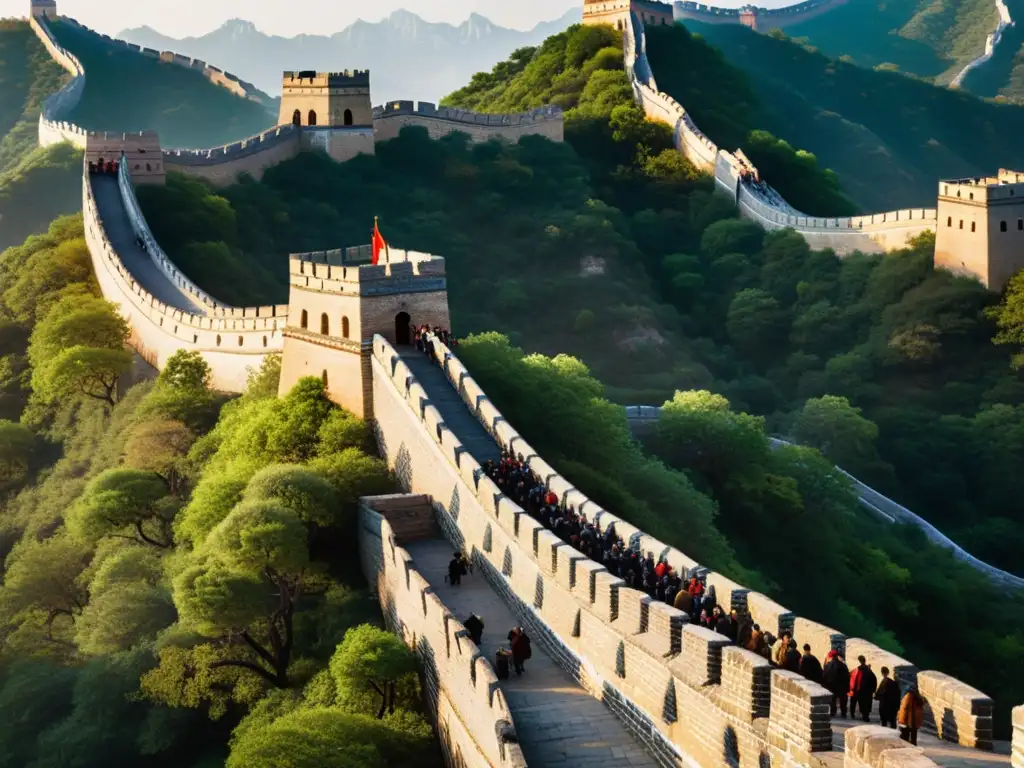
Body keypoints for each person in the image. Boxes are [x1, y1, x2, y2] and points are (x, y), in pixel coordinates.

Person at [849, 655, 877, 722]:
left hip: (857, 690)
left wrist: (851, 688)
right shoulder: (869, 671)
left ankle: (852, 714)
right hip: (866, 691)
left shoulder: (856, 670)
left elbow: (852, 679)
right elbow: (874, 681)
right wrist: (873, 690)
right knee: (865, 704)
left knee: (853, 703)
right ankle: (865, 717)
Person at [822, 650, 849, 718]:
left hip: (832, 687)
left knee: (832, 700)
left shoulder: (828, 665)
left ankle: (833, 712)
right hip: (842, 687)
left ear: (830, 656)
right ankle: (843, 713)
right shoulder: (843, 665)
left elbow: (825, 676)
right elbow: (847, 676)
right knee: (843, 701)